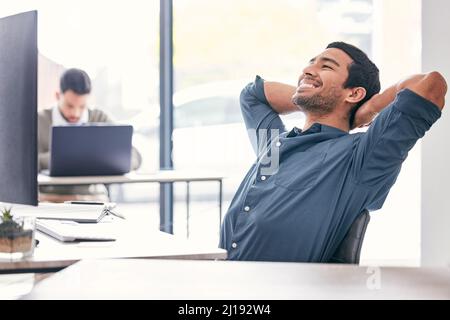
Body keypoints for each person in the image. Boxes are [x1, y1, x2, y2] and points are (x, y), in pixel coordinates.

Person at [219, 41, 447, 263]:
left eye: (325, 66)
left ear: (354, 93)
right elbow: (253, 95)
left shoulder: (360, 159)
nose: (308, 70)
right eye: (310, 64)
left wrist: (370, 107)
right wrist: (311, 94)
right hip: (226, 284)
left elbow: (430, 85)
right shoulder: (273, 149)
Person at [38, 68, 142, 202]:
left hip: (94, 200)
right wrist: (58, 158)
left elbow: (134, 156)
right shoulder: (39, 120)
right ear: (58, 96)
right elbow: (23, 162)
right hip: (50, 200)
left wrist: (107, 160)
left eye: (82, 106)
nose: (75, 113)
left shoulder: (99, 117)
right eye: (70, 106)